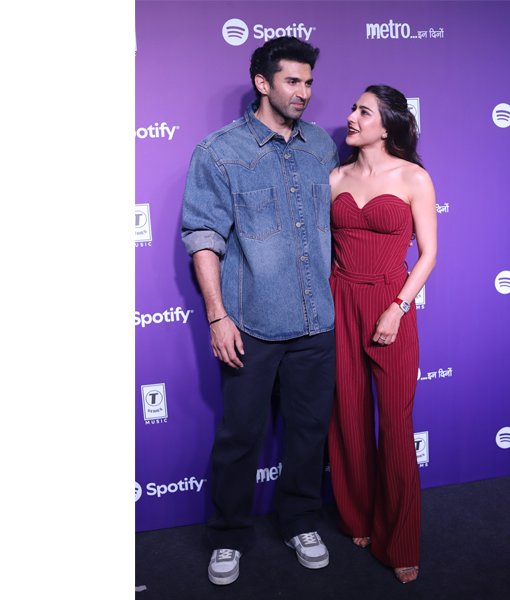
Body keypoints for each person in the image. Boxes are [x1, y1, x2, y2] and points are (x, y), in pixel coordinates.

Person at [180, 37, 339, 586]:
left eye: (309, 82)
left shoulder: (321, 146)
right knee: (240, 437)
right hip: (251, 323)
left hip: (317, 321)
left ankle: (301, 522)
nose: (304, 92)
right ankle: (228, 535)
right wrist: (217, 316)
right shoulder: (218, 152)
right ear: (263, 83)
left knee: (309, 431)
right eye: (292, 81)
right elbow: (203, 236)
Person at [326, 85, 437, 584]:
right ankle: (357, 517)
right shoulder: (335, 177)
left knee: (395, 424)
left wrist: (398, 307)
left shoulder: (414, 177)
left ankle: (400, 540)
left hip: (391, 304)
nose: (352, 117)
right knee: (347, 417)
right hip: (340, 301)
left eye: (364, 111)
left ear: (387, 124)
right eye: (353, 109)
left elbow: (428, 254)